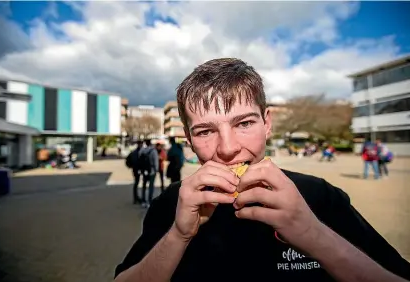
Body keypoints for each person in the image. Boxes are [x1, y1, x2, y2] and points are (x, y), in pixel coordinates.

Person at [114, 58, 410, 282]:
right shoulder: (171, 202)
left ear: (267, 123)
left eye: (244, 123)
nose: (228, 148)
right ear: (189, 140)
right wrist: (178, 235)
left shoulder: (320, 196)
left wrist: (312, 233)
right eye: (205, 131)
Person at [139, 139, 159, 208]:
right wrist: (156, 170)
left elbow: (140, 160)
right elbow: (156, 161)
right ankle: (149, 201)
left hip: (144, 171)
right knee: (151, 187)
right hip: (152, 171)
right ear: (150, 143)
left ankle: (143, 201)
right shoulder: (154, 151)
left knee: (144, 186)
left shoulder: (142, 150)